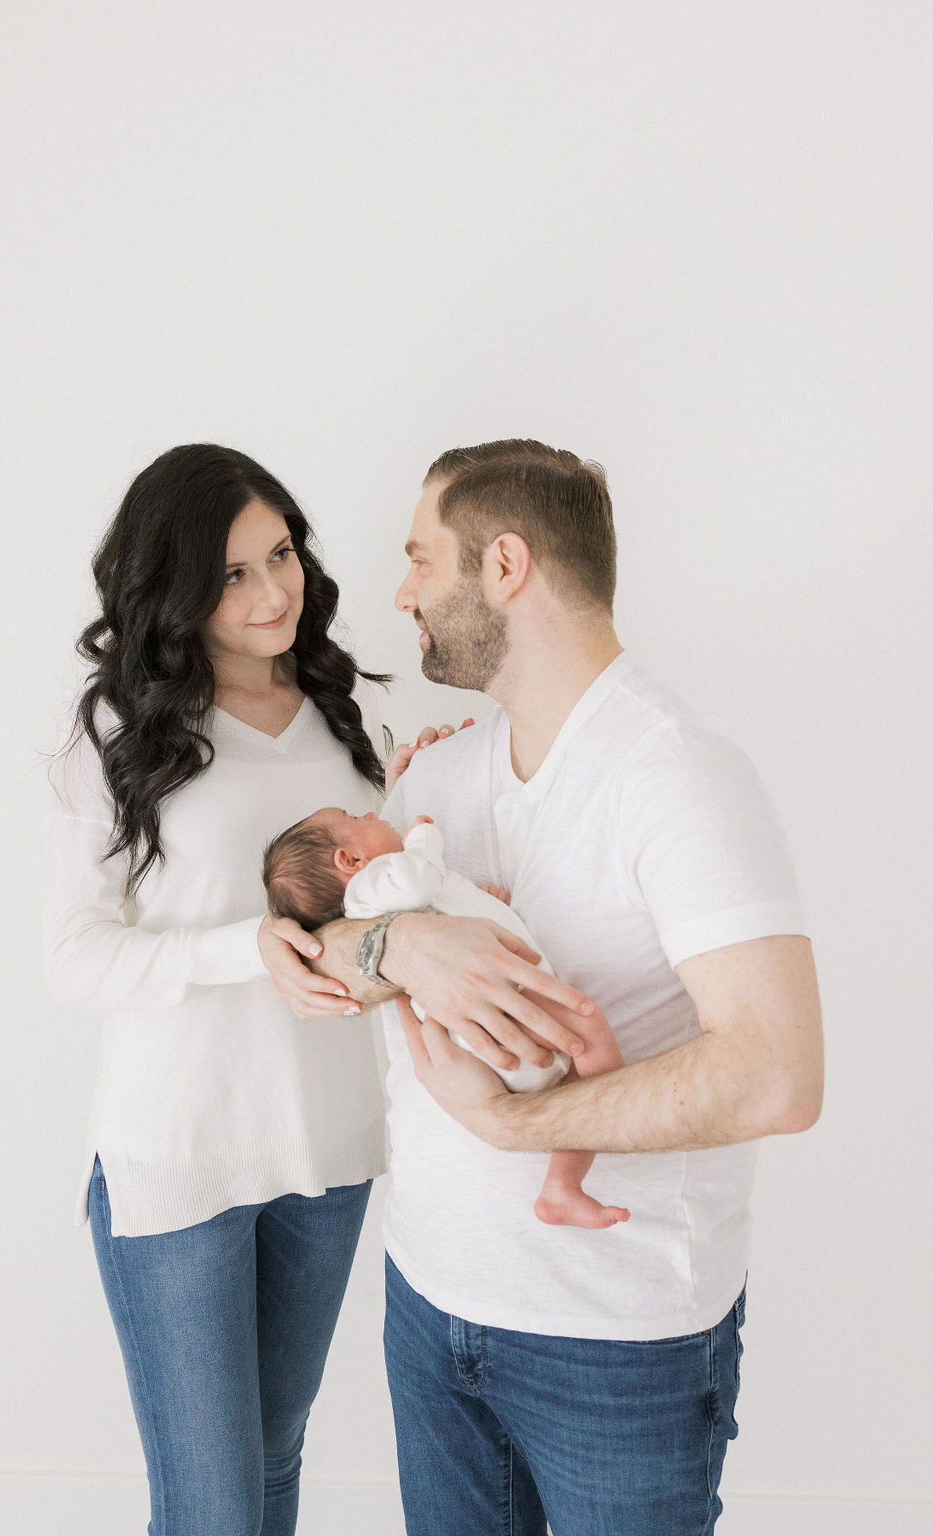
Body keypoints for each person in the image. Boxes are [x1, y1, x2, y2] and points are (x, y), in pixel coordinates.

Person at [259, 438, 825, 1536]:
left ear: (504, 565)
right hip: (429, 1308)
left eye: (422, 558)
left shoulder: (678, 779)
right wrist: (399, 948)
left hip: (613, 1347)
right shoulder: (437, 774)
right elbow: (323, 946)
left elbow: (777, 1075)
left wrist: (517, 1127)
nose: (401, 592)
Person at [43, 443, 397, 1536]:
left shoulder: (351, 720)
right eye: (234, 572)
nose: (274, 591)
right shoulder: (121, 736)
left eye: (281, 554)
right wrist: (242, 948)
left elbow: (384, 907)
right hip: (178, 1160)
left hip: (329, 1151)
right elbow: (73, 956)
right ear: (176, 587)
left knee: (275, 1464)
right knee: (212, 1510)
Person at [261, 807, 630, 1228]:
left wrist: (476, 898)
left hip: (485, 1046)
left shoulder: (384, 899)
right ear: (350, 861)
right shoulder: (372, 887)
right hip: (501, 1019)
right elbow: (419, 879)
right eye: (354, 818)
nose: (369, 812)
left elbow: (435, 904)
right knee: (590, 1037)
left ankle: (561, 1188)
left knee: (573, 1086)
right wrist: (423, 837)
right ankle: (570, 1177)